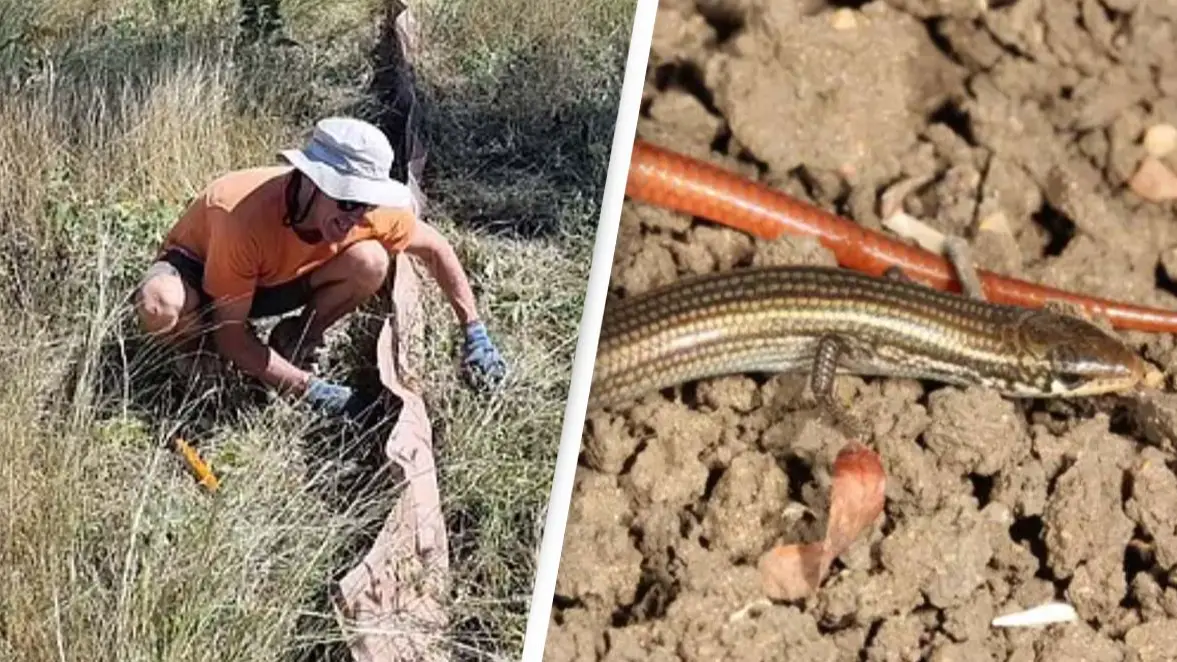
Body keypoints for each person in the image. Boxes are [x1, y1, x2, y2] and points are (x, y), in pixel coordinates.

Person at [133, 116, 507, 418]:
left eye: (366, 202)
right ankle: (196, 350)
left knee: (371, 261)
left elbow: (437, 248)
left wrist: (474, 331)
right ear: (311, 182)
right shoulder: (241, 215)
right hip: (201, 278)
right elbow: (233, 336)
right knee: (160, 303)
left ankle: (296, 339)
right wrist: (309, 391)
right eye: (346, 200)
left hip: (269, 282)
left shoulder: (364, 214)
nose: (355, 216)